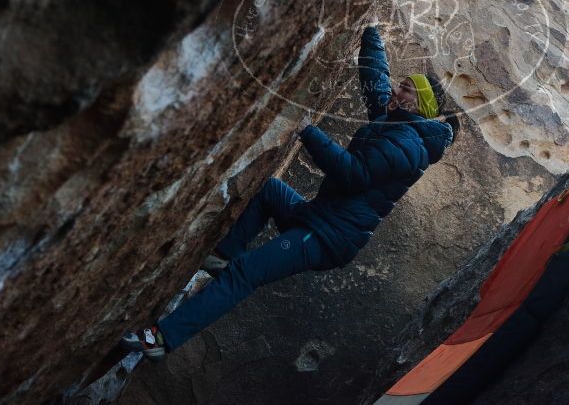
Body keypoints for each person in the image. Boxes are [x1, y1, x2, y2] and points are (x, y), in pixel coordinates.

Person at [121, 25, 459, 360]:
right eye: (400, 85)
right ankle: (222, 257)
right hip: (316, 218)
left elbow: (354, 174)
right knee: (269, 191)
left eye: (405, 90)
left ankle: (161, 338)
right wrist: (371, 34)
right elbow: (376, 83)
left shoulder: (408, 145)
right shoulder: (397, 122)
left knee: (247, 274)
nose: (395, 91)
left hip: (325, 238)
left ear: (418, 107)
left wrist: (307, 131)